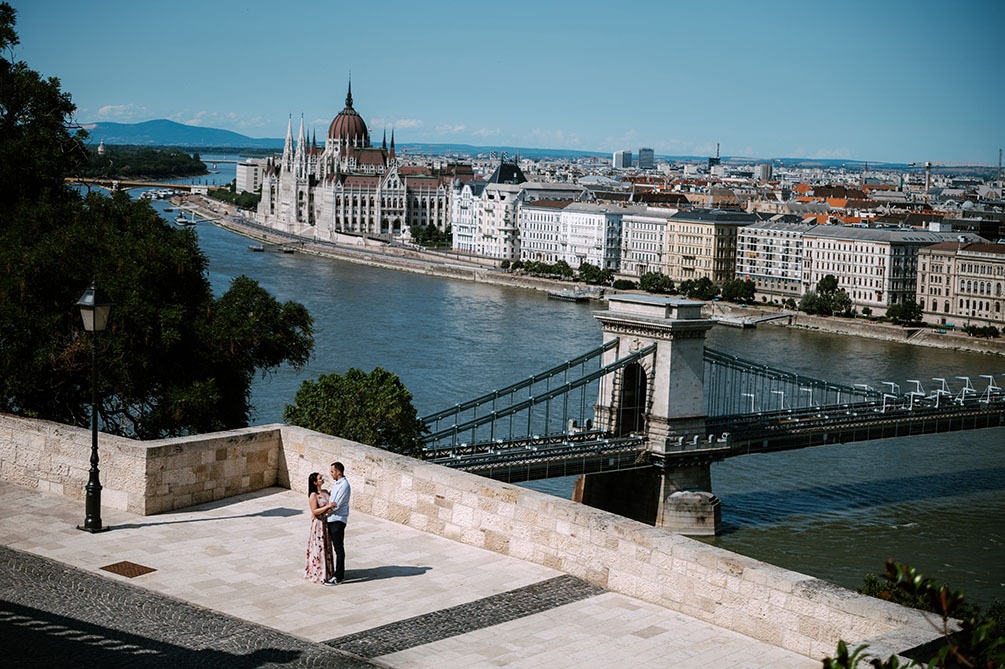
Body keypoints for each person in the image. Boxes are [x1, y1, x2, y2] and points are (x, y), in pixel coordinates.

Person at [304, 472, 336, 584]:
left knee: (327, 546)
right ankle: (318, 573)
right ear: (315, 482)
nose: (322, 479)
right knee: (319, 547)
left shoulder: (326, 492)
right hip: (319, 524)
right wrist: (328, 507)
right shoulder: (313, 495)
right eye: (319, 478)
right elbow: (314, 511)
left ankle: (328, 572)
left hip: (327, 522)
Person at [325, 462, 351, 585]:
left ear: (338, 472)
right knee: (335, 547)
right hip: (331, 519)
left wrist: (322, 513)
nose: (331, 474)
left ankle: (339, 576)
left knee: (338, 548)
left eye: (332, 472)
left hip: (337, 520)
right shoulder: (337, 484)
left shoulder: (344, 485)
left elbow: (336, 505)